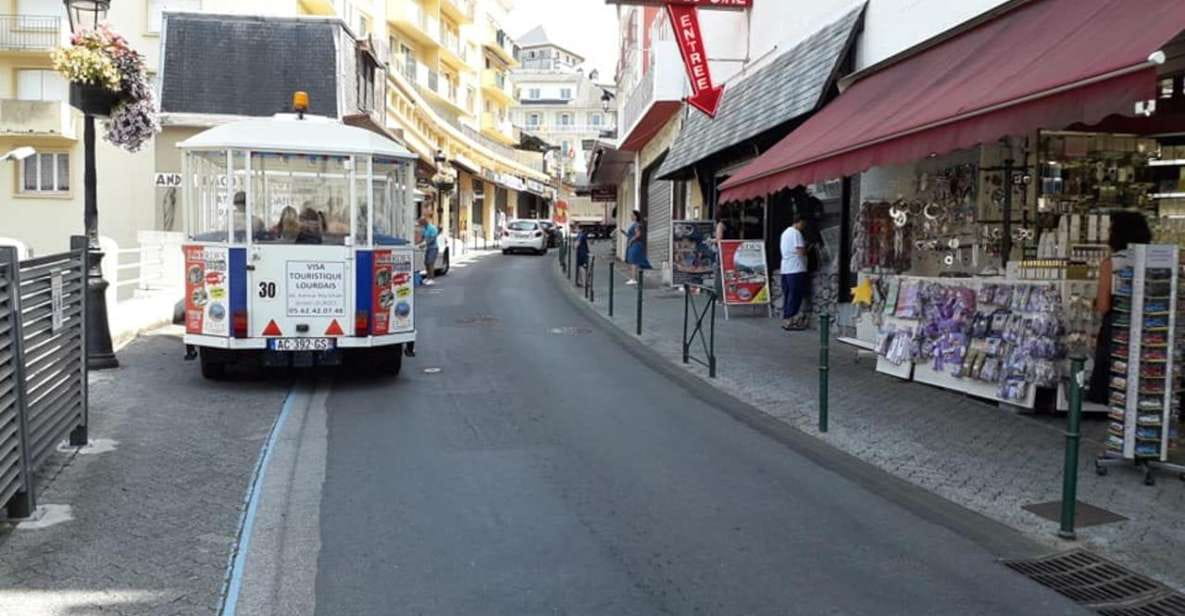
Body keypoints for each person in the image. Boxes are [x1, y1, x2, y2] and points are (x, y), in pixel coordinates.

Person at [1087, 212, 1152, 404]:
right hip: (1147, 326)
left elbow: (1103, 305)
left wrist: (1093, 304)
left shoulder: (1111, 263)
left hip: (1117, 328)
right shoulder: (1151, 259)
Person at [779, 214, 809, 331]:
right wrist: (808, 250)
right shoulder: (796, 233)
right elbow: (800, 250)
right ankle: (791, 319)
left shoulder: (785, 233)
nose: (804, 226)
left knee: (788, 294)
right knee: (795, 294)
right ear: (799, 222)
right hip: (796, 268)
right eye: (803, 224)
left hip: (785, 268)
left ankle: (786, 318)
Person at [623, 211, 651, 285]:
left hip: (635, 245)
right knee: (633, 261)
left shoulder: (637, 225)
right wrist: (624, 233)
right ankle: (635, 278)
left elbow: (638, 234)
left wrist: (631, 241)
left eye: (632, 215)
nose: (631, 216)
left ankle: (633, 279)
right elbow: (631, 235)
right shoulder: (635, 224)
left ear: (636, 216)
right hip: (634, 245)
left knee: (633, 261)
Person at [417, 216, 439, 286]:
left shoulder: (432, 228)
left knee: (430, 263)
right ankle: (428, 277)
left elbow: (432, 239)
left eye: (420, 223)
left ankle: (431, 279)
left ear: (424, 222)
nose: (420, 224)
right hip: (428, 248)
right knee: (426, 263)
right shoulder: (424, 228)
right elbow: (423, 237)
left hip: (433, 248)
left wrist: (424, 244)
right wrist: (417, 243)